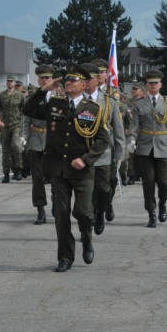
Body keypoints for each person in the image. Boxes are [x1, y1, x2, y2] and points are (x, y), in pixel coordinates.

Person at [22, 63, 109, 273]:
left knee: (83, 212)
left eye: (73, 80)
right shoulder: (54, 104)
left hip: (82, 171)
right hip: (58, 169)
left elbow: (102, 140)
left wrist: (86, 159)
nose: (68, 83)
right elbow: (27, 109)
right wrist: (43, 90)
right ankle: (65, 257)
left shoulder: (93, 109)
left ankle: (86, 238)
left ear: (84, 85)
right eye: (67, 79)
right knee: (61, 214)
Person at [127, 70, 167, 228]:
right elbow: (134, 127)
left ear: (161, 85)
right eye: (150, 83)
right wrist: (131, 140)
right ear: (147, 85)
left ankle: (162, 203)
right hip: (145, 148)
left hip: (163, 147)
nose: (153, 85)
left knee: (163, 181)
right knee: (148, 182)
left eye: (156, 83)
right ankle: (151, 212)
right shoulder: (139, 104)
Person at [82, 62, 125, 236]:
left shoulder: (109, 101)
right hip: (83, 152)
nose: (87, 81)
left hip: (104, 152)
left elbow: (118, 129)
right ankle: (91, 218)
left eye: (91, 78)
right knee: (87, 190)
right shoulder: (76, 100)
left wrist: (120, 153)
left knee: (104, 189)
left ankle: (101, 210)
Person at [22, 64, 55, 225]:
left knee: (57, 178)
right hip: (36, 140)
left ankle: (57, 205)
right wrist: (23, 136)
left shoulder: (60, 96)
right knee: (37, 179)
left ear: (52, 79)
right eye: (42, 78)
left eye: (47, 77)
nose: (44, 80)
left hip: (54, 142)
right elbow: (25, 118)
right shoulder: (32, 98)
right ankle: (40, 210)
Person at [0, 76, 25, 183]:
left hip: (16, 125)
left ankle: (18, 170)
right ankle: (6, 173)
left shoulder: (20, 95)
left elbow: (24, 110)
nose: (10, 83)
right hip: (5, 126)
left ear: (14, 83)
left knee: (16, 147)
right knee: (6, 151)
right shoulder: (1, 95)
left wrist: (24, 124)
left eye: (11, 81)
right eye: (8, 81)